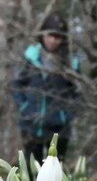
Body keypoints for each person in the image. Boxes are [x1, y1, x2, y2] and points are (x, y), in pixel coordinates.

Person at [11, 13, 81, 163]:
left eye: (58, 37)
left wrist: (66, 114)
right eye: (51, 35)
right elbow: (17, 85)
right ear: (43, 35)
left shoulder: (71, 62)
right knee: (30, 169)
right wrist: (24, 107)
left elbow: (76, 93)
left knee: (55, 169)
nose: (53, 40)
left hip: (59, 127)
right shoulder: (30, 57)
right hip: (31, 124)